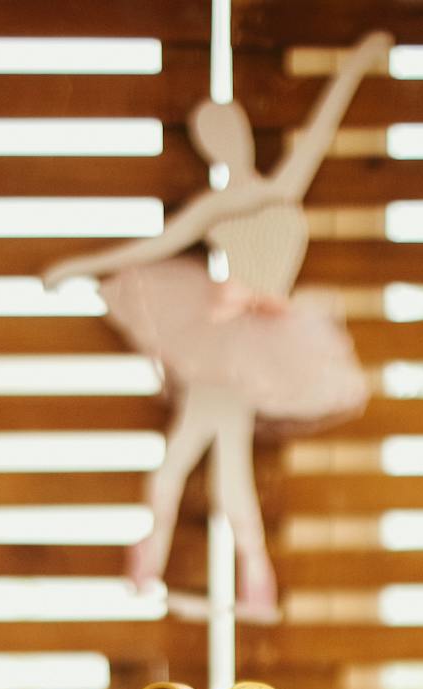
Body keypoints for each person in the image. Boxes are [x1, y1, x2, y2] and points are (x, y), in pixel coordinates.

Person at [44, 31, 392, 618]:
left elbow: (324, 123)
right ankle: (229, 576)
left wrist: (356, 62)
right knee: (200, 457)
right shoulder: (214, 207)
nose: (224, 145)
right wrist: (75, 268)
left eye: (228, 131)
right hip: (224, 340)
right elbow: (150, 246)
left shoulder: (282, 188)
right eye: (213, 139)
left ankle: (192, 570)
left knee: (199, 457)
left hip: (260, 339)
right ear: (209, 149)